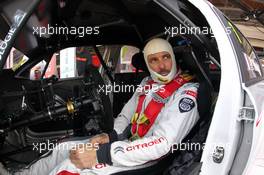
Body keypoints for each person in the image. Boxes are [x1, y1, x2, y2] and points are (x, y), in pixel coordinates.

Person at [0, 38, 200, 175]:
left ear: (173, 57)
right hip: (129, 144)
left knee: (73, 164)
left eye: (165, 57)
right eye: (154, 60)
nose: (162, 66)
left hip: (150, 158)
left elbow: (163, 143)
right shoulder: (148, 83)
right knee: (65, 148)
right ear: (147, 64)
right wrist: (111, 136)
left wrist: (101, 154)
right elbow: (127, 114)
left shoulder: (187, 92)